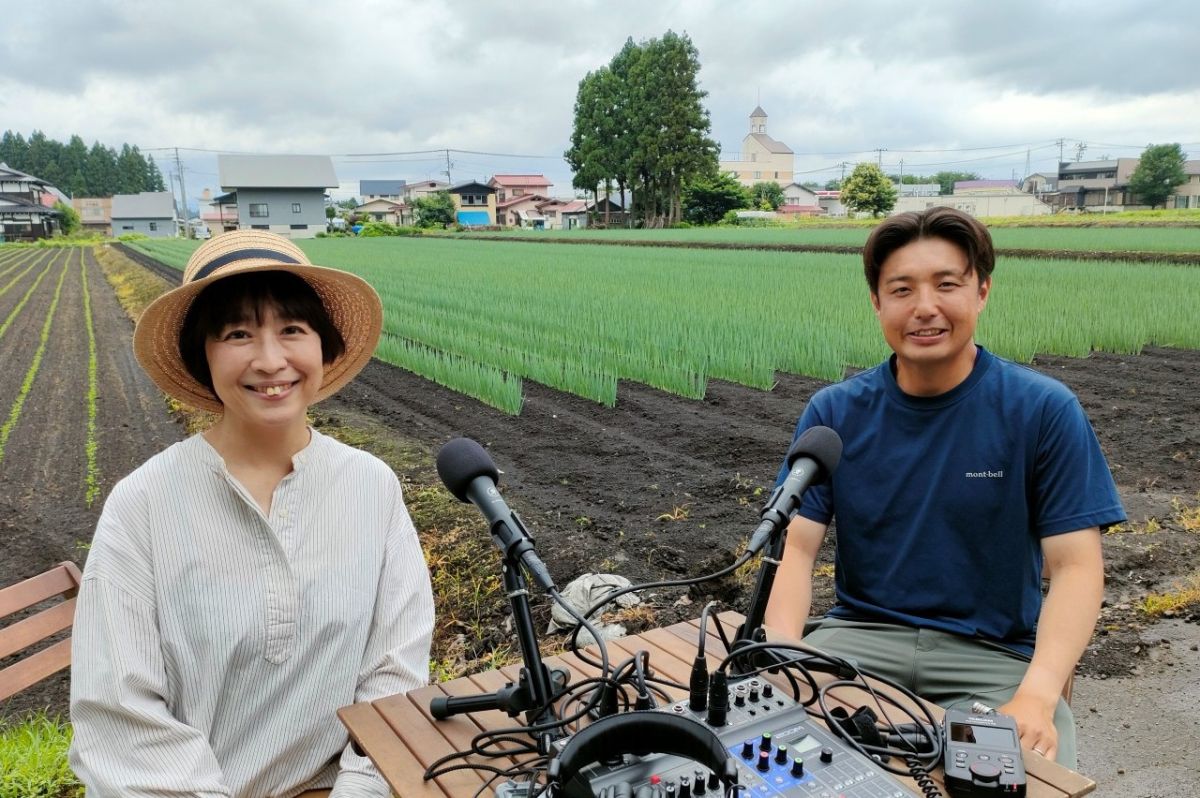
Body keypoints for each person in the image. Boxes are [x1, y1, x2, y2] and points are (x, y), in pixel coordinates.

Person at [70, 231, 435, 797]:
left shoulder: (370, 487)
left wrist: (360, 792)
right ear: (203, 357)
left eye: (292, 329)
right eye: (238, 333)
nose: (271, 361)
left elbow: (395, 672)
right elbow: (119, 712)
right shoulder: (143, 504)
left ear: (323, 346)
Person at [763, 206, 1124, 769]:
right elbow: (795, 546)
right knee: (771, 758)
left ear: (981, 291)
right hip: (860, 639)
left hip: (990, 654)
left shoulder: (1041, 410)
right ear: (877, 302)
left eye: (946, 284)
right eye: (901, 289)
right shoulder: (833, 413)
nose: (924, 308)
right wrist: (785, 646)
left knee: (1018, 777)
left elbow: (1077, 566)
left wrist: (1037, 693)